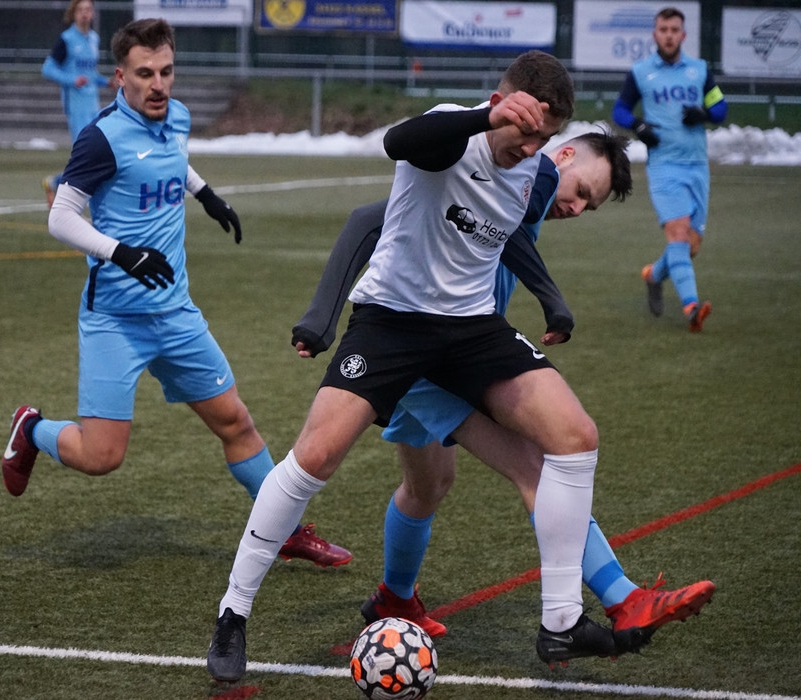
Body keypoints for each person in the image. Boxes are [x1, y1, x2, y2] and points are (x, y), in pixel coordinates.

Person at [207, 51, 641, 682]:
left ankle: (561, 622)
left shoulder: (532, 169)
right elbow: (399, 142)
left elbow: (510, 234)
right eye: (526, 134)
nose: (532, 151)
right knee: (315, 457)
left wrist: (552, 301)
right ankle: (233, 613)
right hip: (392, 322)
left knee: (575, 436)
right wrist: (484, 117)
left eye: (545, 140)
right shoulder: (451, 136)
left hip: (471, 331)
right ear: (502, 105)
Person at [292, 133, 714, 652]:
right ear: (562, 155)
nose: (577, 208)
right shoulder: (510, 176)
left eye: (589, 206)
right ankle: (624, 599)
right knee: (538, 465)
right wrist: (321, 314)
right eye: (581, 191)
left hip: (444, 355)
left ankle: (393, 599)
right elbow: (366, 218)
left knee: (427, 486)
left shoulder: (518, 197)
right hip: (424, 356)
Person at [0, 18, 350, 571]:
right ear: (120, 77)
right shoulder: (101, 137)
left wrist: (206, 194)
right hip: (116, 319)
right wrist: (120, 252)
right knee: (101, 456)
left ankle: (285, 530)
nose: (158, 84)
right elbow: (61, 217)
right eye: (145, 74)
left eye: (166, 71)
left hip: (177, 313)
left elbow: (172, 157)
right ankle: (32, 429)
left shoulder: (177, 116)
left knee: (236, 423)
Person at [612, 6, 728, 332]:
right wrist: (638, 125)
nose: (668, 35)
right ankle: (692, 308)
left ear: (683, 35)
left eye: (674, 30)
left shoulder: (699, 71)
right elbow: (619, 109)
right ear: (655, 34)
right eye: (663, 30)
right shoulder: (641, 72)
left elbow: (720, 107)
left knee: (690, 245)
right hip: (663, 165)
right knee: (677, 234)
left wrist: (705, 113)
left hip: (697, 166)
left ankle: (654, 275)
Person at [39, 0, 115, 208]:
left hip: (93, 104)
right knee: (86, 154)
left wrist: (106, 82)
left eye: (88, 9)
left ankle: (55, 183)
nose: (85, 13)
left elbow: (90, 74)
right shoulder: (66, 39)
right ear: (73, 13)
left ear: (93, 13)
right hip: (75, 105)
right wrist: (72, 80)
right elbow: (47, 69)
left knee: (95, 152)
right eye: (80, 10)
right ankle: (68, 193)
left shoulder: (94, 38)